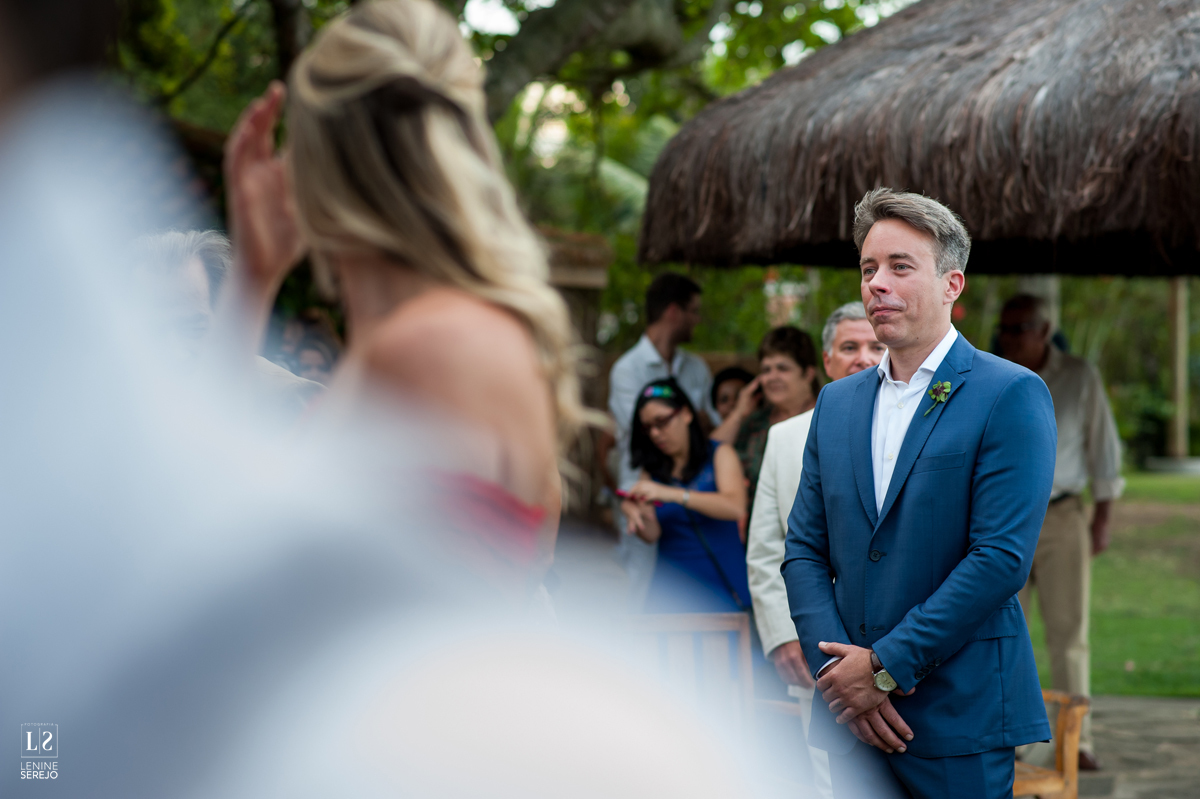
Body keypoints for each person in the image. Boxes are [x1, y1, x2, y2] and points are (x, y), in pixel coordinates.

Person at [220, 0, 591, 580]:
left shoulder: (423, 349)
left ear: (323, 162)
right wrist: (252, 275)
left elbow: (212, 541)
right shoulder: (454, 337)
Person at [782, 188, 1056, 799]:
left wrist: (881, 669)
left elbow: (999, 560)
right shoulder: (836, 403)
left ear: (952, 284)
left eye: (900, 266)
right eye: (868, 268)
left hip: (959, 715)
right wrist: (837, 675)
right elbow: (802, 548)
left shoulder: (1009, 394)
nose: (877, 283)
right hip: (850, 723)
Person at [746, 301, 886, 799]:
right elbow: (766, 548)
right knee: (832, 779)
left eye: (876, 345)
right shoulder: (783, 440)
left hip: (892, 646)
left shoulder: (914, 429)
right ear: (827, 361)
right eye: (850, 347)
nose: (863, 357)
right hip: (817, 645)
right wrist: (784, 635)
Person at [999, 293, 1124, 771]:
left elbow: (1104, 448)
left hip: (1063, 513)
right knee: (1006, 628)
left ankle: (1080, 737)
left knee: (1069, 632)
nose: (1009, 338)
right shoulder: (994, 374)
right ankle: (1014, 737)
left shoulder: (1078, 376)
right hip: (1004, 518)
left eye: (1019, 329)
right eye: (1005, 330)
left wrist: (1103, 517)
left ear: (1044, 329)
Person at [132, 229, 325, 419]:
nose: (175, 351)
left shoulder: (286, 399)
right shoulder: (115, 402)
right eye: (153, 332)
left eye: (194, 329)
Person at [608, 272, 714, 608]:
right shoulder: (627, 370)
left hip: (693, 489)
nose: (697, 319)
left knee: (690, 582)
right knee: (642, 584)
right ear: (673, 312)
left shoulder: (696, 369)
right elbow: (644, 434)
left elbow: (709, 426)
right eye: (694, 311)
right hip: (642, 495)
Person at [620, 379, 748, 613]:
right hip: (671, 593)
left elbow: (735, 506)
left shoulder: (720, 453)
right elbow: (652, 534)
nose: (656, 433)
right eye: (647, 427)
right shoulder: (651, 470)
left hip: (722, 587)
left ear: (687, 413)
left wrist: (674, 494)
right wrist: (634, 513)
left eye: (662, 421)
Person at [712, 326, 820, 507]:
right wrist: (739, 414)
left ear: (808, 373)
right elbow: (708, 457)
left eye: (782, 368)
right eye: (766, 370)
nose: (772, 377)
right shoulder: (755, 423)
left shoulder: (827, 418)